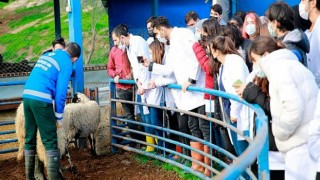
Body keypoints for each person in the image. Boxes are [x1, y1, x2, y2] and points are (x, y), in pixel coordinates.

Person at [249, 36, 317, 179]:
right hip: (308, 139)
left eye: (255, 60)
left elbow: (293, 108)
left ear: (266, 55)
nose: (255, 66)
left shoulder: (279, 70)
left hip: (298, 143)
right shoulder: (291, 64)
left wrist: (279, 132)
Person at [148, 16, 206, 172]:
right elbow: (170, 70)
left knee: (200, 128)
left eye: (157, 32)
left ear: (161, 28)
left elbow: (196, 56)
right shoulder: (171, 44)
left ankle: (204, 166)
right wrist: (150, 66)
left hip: (196, 90)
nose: (158, 36)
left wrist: (191, 79)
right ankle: (197, 164)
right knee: (191, 126)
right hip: (186, 94)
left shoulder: (183, 34)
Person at [22, 42, 81, 180]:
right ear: (75, 59)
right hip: (41, 99)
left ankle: (29, 178)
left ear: (65, 49)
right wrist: (59, 118)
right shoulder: (67, 63)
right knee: (50, 141)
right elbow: (61, 94)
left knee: (30, 138)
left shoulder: (47, 55)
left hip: (27, 96)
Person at [206, 35, 250, 156]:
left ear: (217, 50)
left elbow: (238, 87)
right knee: (239, 150)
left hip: (238, 114)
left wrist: (234, 113)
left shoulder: (234, 62)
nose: (208, 51)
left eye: (210, 48)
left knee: (243, 153)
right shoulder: (224, 65)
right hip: (232, 113)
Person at [111, 24, 152, 148]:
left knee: (149, 117)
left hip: (146, 85)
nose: (115, 43)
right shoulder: (129, 47)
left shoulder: (137, 42)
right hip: (140, 84)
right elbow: (136, 67)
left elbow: (142, 65)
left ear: (122, 37)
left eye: (116, 40)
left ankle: (156, 146)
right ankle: (151, 146)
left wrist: (141, 84)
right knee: (143, 116)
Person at [265, 2, 310, 67]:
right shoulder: (292, 39)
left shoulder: (289, 47)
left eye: (268, 22)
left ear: (275, 23)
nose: (268, 25)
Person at [300, 0, 320, 87]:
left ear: (313, 3)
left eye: (303, 0)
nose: (301, 4)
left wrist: (312, 80)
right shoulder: (308, 32)